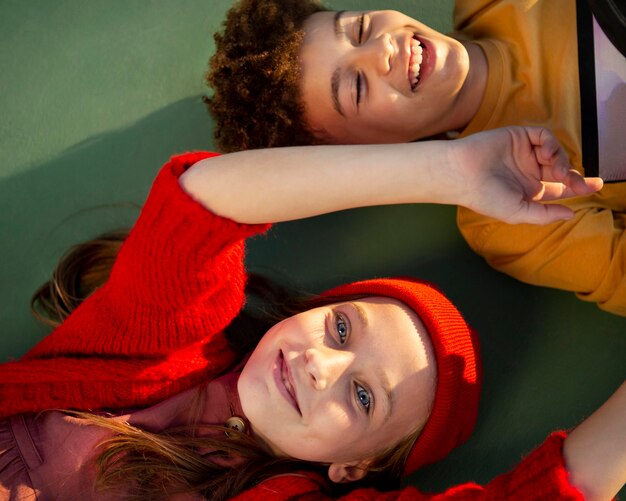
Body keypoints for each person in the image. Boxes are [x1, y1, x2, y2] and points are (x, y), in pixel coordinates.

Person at [0, 128, 622, 500]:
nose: (320, 366)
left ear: (351, 467)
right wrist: (447, 169)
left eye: (362, 397)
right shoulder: (168, 345)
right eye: (341, 329)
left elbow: (552, 491)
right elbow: (199, 206)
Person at [207, 0, 626, 316]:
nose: (381, 50)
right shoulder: (506, 214)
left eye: (359, 29)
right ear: (367, 154)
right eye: (356, 87)